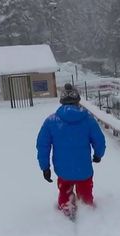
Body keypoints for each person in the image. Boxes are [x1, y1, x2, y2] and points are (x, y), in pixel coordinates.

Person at [36, 83, 106, 218]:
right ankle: (88, 216)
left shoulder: (51, 121)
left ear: (62, 101)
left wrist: (45, 167)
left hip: (63, 170)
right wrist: (98, 155)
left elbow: (42, 145)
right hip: (84, 169)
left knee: (64, 191)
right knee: (85, 193)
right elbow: (99, 140)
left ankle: (66, 214)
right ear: (77, 100)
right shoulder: (88, 120)